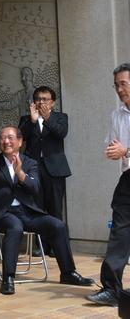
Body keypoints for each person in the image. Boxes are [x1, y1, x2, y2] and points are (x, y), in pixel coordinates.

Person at [0, 126, 94, 295]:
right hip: (3, 213)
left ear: (20, 141)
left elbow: (35, 188)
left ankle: (68, 273)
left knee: (58, 225)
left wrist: (20, 173)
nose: (5, 141)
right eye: (2, 138)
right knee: (15, 227)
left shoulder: (30, 162)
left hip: (28, 213)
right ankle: (8, 277)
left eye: (10, 138)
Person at [86, 63, 130, 307]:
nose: (119, 89)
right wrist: (116, 152)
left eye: (123, 83)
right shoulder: (116, 115)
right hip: (128, 178)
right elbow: (115, 146)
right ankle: (112, 289)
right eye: (116, 85)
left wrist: (126, 150)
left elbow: (125, 149)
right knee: (119, 232)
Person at [18, 86, 70, 255]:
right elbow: (21, 137)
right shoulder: (26, 119)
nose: (41, 102)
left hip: (55, 169)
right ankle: (41, 246)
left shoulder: (60, 117)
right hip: (33, 168)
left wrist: (46, 118)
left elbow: (61, 133)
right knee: (37, 208)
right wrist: (33, 121)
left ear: (52, 102)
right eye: (38, 99)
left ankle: (56, 247)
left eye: (45, 99)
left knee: (55, 208)